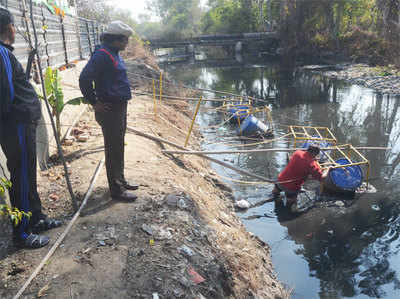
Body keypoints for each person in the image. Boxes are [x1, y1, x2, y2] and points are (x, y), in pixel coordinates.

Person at [0, 8, 61, 249]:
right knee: (22, 177)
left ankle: (36, 218)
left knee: (27, 174)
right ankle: (23, 234)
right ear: (9, 28)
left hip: (19, 124)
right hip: (16, 125)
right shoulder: (2, 53)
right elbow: (6, 94)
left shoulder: (5, 53)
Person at [79, 21, 138, 201]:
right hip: (110, 108)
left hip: (119, 106)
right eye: (125, 40)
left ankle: (120, 179)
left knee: (118, 145)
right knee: (113, 148)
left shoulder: (113, 53)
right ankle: (117, 190)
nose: (127, 43)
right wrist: (94, 102)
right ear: (116, 40)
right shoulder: (102, 55)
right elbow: (84, 79)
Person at [272, 145, 330, 213]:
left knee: (275, 192)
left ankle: (275, 199)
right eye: (316, 155)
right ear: (314, 154)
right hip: (292, 187)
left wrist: (312, 160)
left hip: (281, 180)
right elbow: (321, 177)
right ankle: (287, 215)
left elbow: (300, 162)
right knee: (290, 203)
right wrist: (328, 169)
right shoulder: (312, 165)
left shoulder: (297, 152)